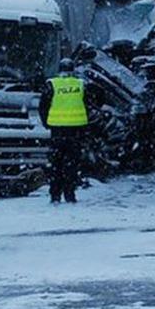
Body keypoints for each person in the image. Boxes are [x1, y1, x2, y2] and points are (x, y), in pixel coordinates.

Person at [39, 58, 90, 203]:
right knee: (71, 164)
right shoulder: (81, 84)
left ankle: (55, 195)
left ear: (60, 69)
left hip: (57, 131)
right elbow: (89, 106)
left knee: (56, 164)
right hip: (76, 131)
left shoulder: (52, 84)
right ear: (73, 69)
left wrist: (47, 123)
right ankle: (70, 194)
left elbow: (43, 106)